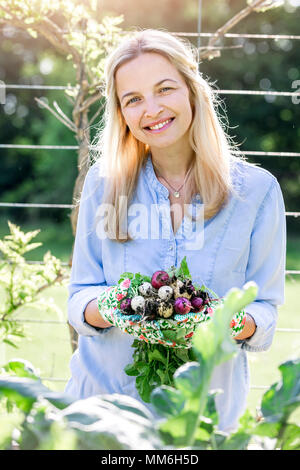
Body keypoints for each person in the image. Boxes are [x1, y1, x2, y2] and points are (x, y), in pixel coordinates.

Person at [65, 29, 286, 434]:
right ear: (121, 113)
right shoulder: (104, 183)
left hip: (202, 416)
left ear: (191, 90)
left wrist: (223, 322)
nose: (151, 109)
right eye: (133, 99)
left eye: (164, 89)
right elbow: (79, 297)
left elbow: (266, 307)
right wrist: (118, 307)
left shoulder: (256, 191)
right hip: (105, 412)